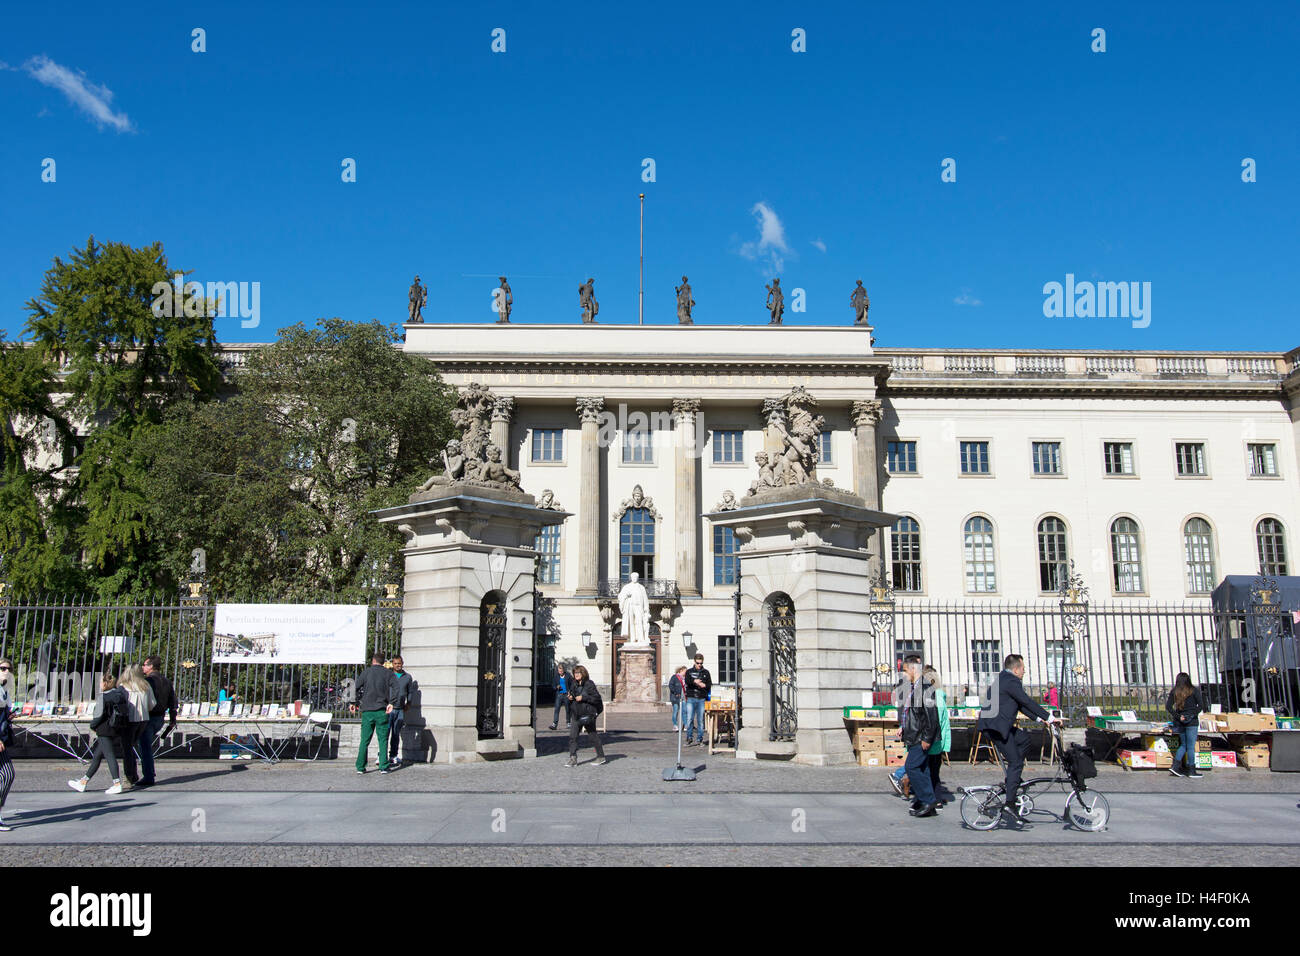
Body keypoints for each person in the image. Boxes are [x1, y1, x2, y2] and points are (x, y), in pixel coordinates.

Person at [976, 654, 1060, 822]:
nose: (1024, 671)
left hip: (997, 726)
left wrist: (1039, 719)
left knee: (1024, 739)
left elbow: (1021, 705)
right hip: (996, 728)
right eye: (1023, 668)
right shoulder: (1012, 681)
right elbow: (1027, 701)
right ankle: (1009, 804)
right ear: (1016, 669)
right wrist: (1050, 718)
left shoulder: (1004, 679)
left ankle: (1012, 780)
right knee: (1016, 762)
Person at [69, 674, 129, 795]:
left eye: (100, 683)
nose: (99, 685)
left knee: (109, 756)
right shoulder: (119, 694)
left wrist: (93, 726)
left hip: (104, 729)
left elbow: (98, 716)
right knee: (97, 756)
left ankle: (117, 783)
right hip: (116, 727)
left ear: (105, 684)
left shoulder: (103, 697)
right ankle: (83, 782)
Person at [898, 655, 940, 818]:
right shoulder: (915, 686)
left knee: (912, 767)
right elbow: (911, 712)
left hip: (920, 737)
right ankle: (928, 802)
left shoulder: (925, 687)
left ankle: (928, 800)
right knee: (923, 768)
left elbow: (932, 715)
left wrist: (927, 738)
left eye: (905, 670)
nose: (904, 674)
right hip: (914, 734)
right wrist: (904, 727)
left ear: (913, 669)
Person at [350, 652, 397, 774]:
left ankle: (360, 766)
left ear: (373, 661)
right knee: (383, 739)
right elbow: (397, 687)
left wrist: (353, 702)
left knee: (364, 740)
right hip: (382, 709)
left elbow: (355, 687)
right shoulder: (388, 673)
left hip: (367, 710)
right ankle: (383, 766)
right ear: (383, 662)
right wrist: (391, 702)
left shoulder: (366, 672)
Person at [138, 656, 178, 788]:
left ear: (151, 666)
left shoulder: (148, 681)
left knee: (145, 746)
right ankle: (146, 773)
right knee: (146, 745)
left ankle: (148, 775)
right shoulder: (166, 681)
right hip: (160, 717)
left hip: (148, 716)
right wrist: (172, 719)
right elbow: (173, 701)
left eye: (145, 665)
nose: (143, 667)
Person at [119, 664, 155, 789]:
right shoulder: (145, 685)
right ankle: (134, 774)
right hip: (143, 719)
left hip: (129, 720)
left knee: (127, 749)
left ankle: (129, 776)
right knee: (133, 746)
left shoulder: (124, 686)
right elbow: (152, 704)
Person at [565, 664, 606, 767]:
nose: (576, 675)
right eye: (575, 673)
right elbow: (573, 696)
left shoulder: (589, 684)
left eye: (578, 673)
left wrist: (583, 698)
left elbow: (596, 698)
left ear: (583, 673)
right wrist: (570, 697)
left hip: (587, 714)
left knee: (593, 736)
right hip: (576, 714)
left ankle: (601, 756)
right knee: (573, 737)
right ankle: (573, 758)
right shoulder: (574, 684)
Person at [1166, 672, 1204, 779]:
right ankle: (1191, 769)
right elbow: (1201, 705)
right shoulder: (1193, 690)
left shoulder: (1175, 691)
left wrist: (1178, 716)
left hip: (1180, 721)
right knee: (1191, 746)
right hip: (1191, 721)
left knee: (1183, 745)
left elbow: (1168, 707)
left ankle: (1176, 766)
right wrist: (1191, 715)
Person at [924, 665, 951, 800]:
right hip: (936, 739)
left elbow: (937, 719)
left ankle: (934, 799)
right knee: (932, 770)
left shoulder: (935, 696)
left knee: (931, 771)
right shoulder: (938, 695)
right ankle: (934, 797)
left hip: (933, 740)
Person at [388, 656, 413, 768]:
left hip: (400, 709)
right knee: (385, 733)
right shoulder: (388, 676)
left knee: (396, 734)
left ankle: (393, 755)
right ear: (392, 664)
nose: (397, 665)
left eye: (399, 663)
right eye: (395, 663)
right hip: (389, 708)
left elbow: (410, 692)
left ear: (402, 663)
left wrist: (409, 703)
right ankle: (381, 755)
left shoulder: (407, 677)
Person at [683, 654, 712, 746]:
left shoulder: (706, 672)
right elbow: (687, 681)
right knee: (689, 719)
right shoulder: (689, 672)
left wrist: (704, 685)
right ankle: (689, 738)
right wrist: (694, 681)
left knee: (700, 720)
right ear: (694, 662)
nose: (699, 665)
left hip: (701, 698)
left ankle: (700, 739)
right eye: (698, 663)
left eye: (701, 663)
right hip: (691, 697)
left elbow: (709, 684)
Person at [0, 658, 16, 830]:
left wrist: (8, 716)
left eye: (9, 669)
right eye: (3, 668)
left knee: (8, 775)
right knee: (7, 774)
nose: (6, 671)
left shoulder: (4, 691)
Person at [549, 663, 571, 731]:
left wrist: (570, 692)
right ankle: (554, 724)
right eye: (559, 670)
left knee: (568, 709)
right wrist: (556, 687)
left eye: (561, 670)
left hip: (566, 694)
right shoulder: (556, 676)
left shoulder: (568, 676)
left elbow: (572, 685)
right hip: (559, 694)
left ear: (564, 670)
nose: (560, 672)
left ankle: (568, 723)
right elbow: (553, 686)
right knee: (556, 709)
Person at [668, 666, 687, 731]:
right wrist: (675, 692)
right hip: (675, 697)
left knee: (684, 711)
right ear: (681, 670)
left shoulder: (685, 678)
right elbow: (670, 685)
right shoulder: (674, 677)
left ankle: (685, 725)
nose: (686, 672)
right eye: (685, 671)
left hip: (683, 697)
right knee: (675, 711)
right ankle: (675, 725)